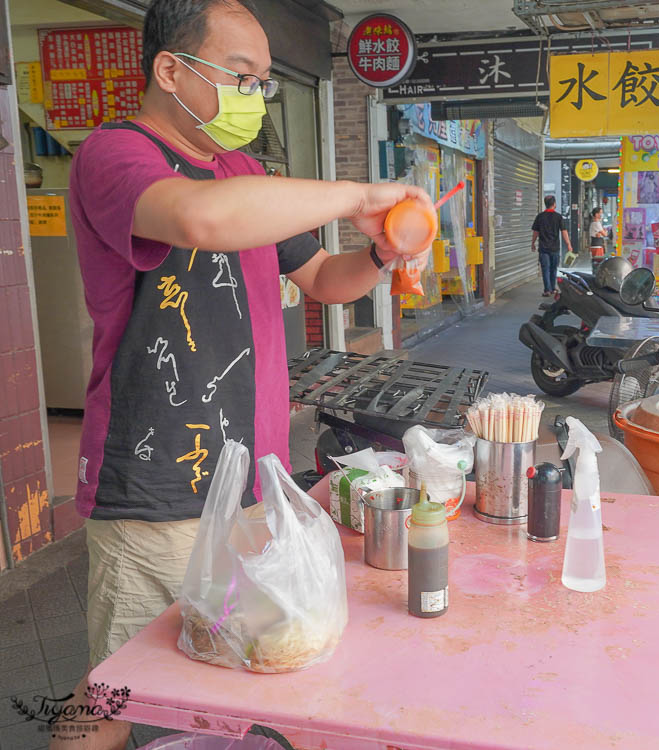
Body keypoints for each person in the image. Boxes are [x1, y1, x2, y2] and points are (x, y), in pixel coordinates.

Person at [59, 1, 433, 748]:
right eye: (241, 75)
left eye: (262, 81)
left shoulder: (244, 171)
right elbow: (200, 220)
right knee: (117, 687)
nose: (254, 96)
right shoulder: (114, 156)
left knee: (237, 664)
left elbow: (325, 276)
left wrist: (384, 255)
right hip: (154, 488)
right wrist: (360, 197)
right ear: (170, 69)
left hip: (251, 487)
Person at [531, 195, 573, 296]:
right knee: (553, 269)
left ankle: (547, 290)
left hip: (543, 248)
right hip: (554, 248)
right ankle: (553, 289)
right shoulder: (558, 217)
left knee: (545, 268)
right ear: (554, 204)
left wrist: (532, 243)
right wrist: (568, 244)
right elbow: (564, 232)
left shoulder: (540, 216)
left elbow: (535, 232)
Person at [588, 207, 609, 271]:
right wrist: (605, 232)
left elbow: (601, 234)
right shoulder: (596, 224)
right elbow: (605, 234)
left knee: (597, 264)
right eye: (600, 213)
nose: (601, 215)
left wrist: (601, 233)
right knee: (599, 265)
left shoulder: (594, 223)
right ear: (596, 214)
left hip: (595, 246)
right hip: (597, 247)